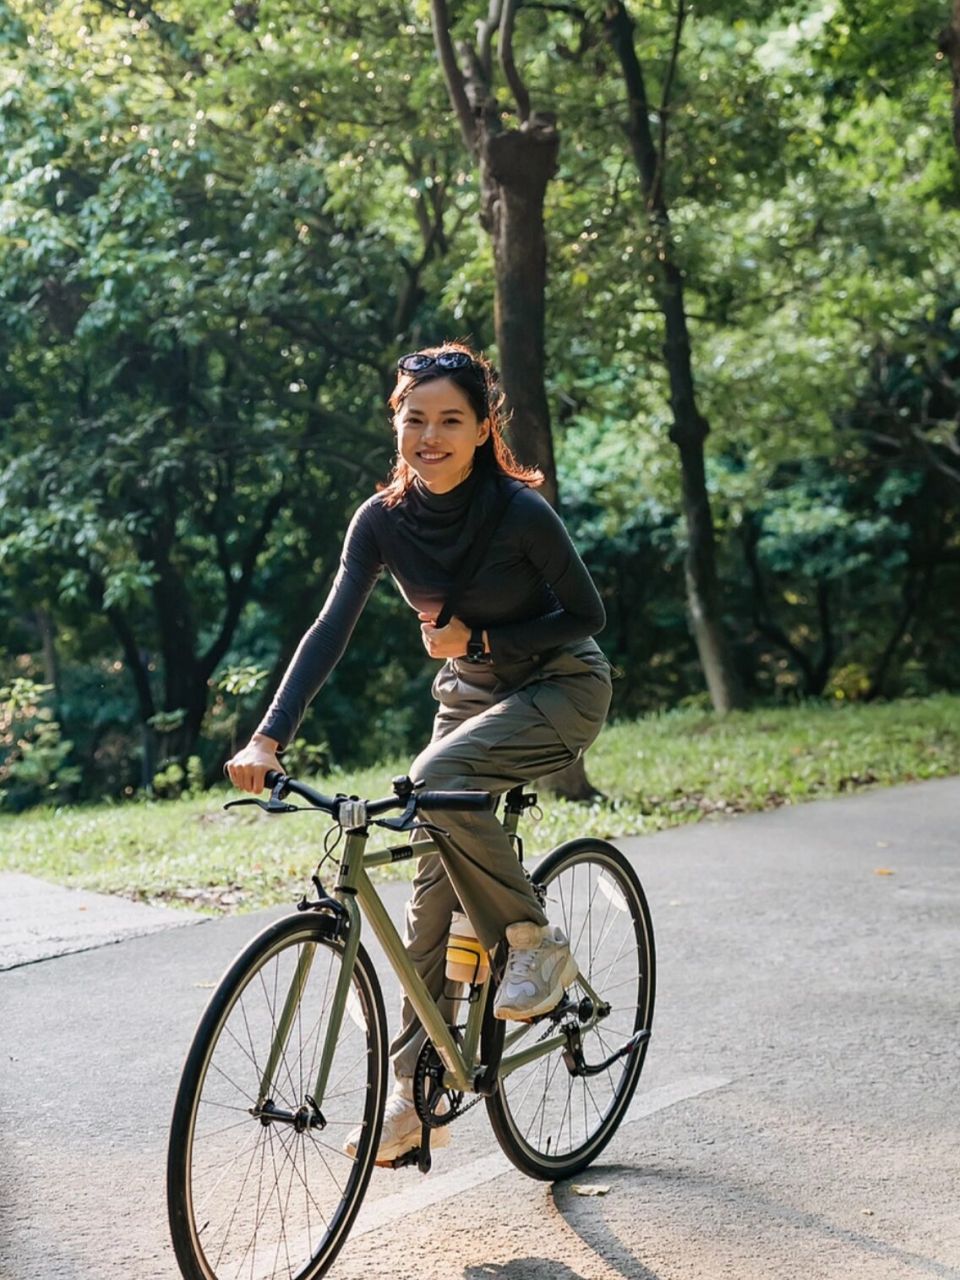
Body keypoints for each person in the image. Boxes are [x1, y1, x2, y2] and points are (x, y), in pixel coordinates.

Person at [226, 341, 612, 1165]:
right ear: (395, 423)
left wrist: (482, 633)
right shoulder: (382, 522)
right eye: (414, 419)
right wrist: (270, 733)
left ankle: (533, 942)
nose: (429, 436)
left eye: (450, 421)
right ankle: (415, 1094)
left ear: (482, 429)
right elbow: (330, 629)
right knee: (425, 911)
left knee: (435, 780)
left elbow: (586, 613)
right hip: (471, 696)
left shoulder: (520, 514)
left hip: (560, 683)